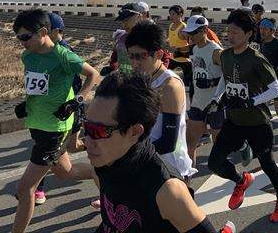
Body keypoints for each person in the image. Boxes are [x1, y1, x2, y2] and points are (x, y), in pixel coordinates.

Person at [78, 72, 236, 233]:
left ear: (134, 132)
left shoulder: (167, 191)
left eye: (98, 131)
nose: (86, 140)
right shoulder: (103, 164)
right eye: (86, 127)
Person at [11, 9, 99, 233]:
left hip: (55, 129)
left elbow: (93, 75)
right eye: (19, 38)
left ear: (43, 32)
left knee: (25, 189)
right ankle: (101, 171)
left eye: (25, 37)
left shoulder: (63, 55)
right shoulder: (28, 56)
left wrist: (76, 101)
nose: (22, 42)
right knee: (65, 172)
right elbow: (37, 85)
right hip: (37, 124)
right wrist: (26, 104)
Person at [206, 9, 278, 223]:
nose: (230, 36)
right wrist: (216, 99)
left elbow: (276, 89)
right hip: (234, 121)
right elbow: (225, 79)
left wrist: (251, 101)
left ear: (248, 34)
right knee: (214, 163)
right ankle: (241, 180)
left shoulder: (256, 59)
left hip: (258, 123)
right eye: (229, 31)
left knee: (267, 164)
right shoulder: (225, 55)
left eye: (235, 32)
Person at [125, 21, 196, 181]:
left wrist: (128, 154)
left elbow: (168, 142)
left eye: (141, 56)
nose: (134, 63)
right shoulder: (141, 78)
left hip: (169, 169)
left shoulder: (169, 86)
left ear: (158, 54)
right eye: (131, 56)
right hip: (145, 163)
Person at [32, 12, 85, 205]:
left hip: (66, 112)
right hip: (48, 113)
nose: (41, 36)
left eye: (44, 31)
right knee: (60, 153)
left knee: (55, 151)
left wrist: (75, 102)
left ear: (55, 31)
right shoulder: (42, 52)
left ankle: (35, 188)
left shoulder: (64, 51)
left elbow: (86, 78)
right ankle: (35, 188)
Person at [182, 15, 224, 166]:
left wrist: (210, 82)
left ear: (205, 30)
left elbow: (230, 76)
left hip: (215, 104)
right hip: (198, 103)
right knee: (189, 145)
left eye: (194, 33)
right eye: (189, 33)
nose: (191, 36)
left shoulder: (216, 51)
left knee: (219, 148)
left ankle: (241, 146)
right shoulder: (194, 49)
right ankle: (187, 177)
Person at [168, 5, 194, 101]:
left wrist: (179, 49)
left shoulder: (184, 28)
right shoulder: (171, 25)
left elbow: (191, 44)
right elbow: (171, 39)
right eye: (170, 14)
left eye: (173, 14)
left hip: (184, 60)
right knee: (167, 78)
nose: (171, 16)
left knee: (188, 85)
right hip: (173, 58)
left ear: (180, 15)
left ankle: (187, 102)